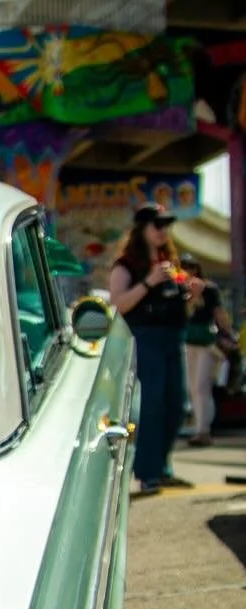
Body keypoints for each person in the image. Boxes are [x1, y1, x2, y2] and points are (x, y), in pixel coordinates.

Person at [106, 206, 203, 494]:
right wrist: (149, 281)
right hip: (144, 338)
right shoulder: (127, 264)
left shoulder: (169, 263)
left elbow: (182, 305)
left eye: (166, 225)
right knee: (152, 405)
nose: (162, 230)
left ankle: (162, 467)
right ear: (143, 228)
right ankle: (149, 472)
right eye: (156, 225)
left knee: (176, 404)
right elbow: (118, 303)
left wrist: (191, 294)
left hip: (172, 337)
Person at [179, 254, 236, 444]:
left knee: (201, 386)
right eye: (183, 267)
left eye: (190, 267)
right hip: (187, 341)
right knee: (191, 387)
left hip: (206, 343)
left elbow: (219, 314)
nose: (188, 271)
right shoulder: (180, 289)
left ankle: (203, 430)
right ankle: (200, 426)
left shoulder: (209, 289)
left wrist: (228, 335)